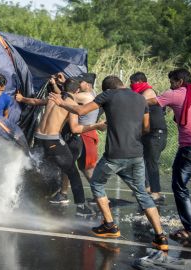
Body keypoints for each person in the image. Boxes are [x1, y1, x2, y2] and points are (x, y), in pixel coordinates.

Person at [49, 75, 168, 251]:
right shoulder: (140, 98)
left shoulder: (108, 95)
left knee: (97, 183)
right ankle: (160, 237)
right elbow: (146, 128)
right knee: (142, 193)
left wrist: (61, 102)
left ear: (107, 89)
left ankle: (110, 225)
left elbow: (81, 111)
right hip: (136, 154)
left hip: (115, 155)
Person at [17, 78, 105, 216]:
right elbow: (75, 129)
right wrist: (97, 125)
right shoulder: (71, 104)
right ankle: (81, 208)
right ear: (76, 91)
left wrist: (21, 98)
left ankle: (18, 197)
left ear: (63, 87)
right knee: (73, 172)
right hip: (52, 141)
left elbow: (35, 102)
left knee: (37, 167)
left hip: (38, 138)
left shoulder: (53, 97)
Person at [147, 68, 191, 244]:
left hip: (190, 148)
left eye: (171, 82)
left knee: (179, 187)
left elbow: (150, 101)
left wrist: (125, 99)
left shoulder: (175, 93)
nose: (170, 85)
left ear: (178, 82)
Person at [130, 72, 167, 203]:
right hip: (146, 133)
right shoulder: (139, 93)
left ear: (140, 81)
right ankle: (146, 188)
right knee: (140, 161)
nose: (131, 85)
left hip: (156, 133)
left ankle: (156, 193)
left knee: (151, 163)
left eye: (133, 83)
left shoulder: (149, 91)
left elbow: (138, 105)